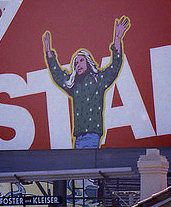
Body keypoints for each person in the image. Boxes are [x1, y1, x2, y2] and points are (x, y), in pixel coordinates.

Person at [43, 16, 130, 149]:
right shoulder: (74, 85)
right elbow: (58, 76)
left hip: (92, 135)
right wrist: (48, 52)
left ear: (88, 62)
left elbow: (115, 66)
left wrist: (117, 38)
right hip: (78, 137)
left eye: (81, 61)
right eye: (76, 63)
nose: (78, 64)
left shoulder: (99, 80)